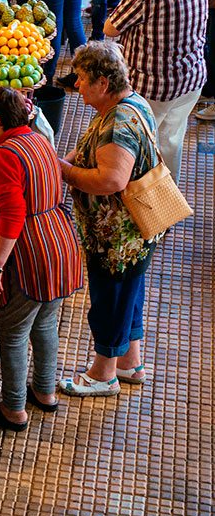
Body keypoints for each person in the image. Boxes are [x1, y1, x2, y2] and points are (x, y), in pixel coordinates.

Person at [58, 42, 163, 396]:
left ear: (103, 82)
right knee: (129, 295)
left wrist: (66, 174)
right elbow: (90, 147)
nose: (77, 85)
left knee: (111, 301)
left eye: (83, 79)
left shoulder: (119, 122)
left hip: (118, 237)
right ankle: (130, 363)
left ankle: (103, 374)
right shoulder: (128, 103)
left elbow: (112, 180)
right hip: (136, 234)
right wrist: (63, 163)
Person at [0, 88, 83, 429]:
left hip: (30, 253)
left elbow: (13, 215)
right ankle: (45, 392)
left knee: (13, 332)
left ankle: (13, 409)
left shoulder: (4, 156)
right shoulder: (39, 140)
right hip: (60, 244)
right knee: (45, 323)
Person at [104, 0, 208, 182]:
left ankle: (145, 203)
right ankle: (167, 198)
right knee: (171, 140)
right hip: (190, 80)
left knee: (141, 144)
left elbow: (110, 28)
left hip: (153, 87)